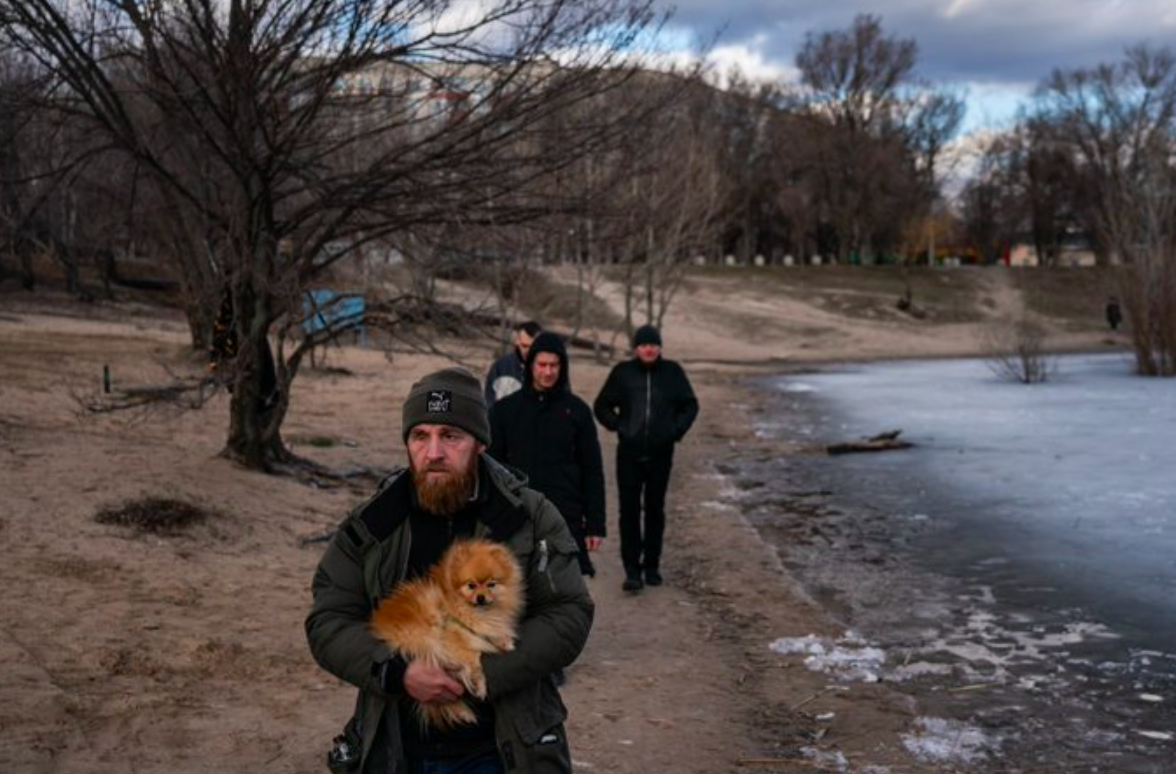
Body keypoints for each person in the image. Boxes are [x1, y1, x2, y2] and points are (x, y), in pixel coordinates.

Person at [306, 367, 592, 774]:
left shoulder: (527, 516)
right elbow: (328, 620)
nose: (434, 452)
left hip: (502, 748)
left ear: (479, 443)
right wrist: (398, 672)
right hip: (395, 748)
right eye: (420, 436)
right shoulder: (375, 523)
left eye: (450, 436)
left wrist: (477, 669)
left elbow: (569, 613)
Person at [489, 332, 607, 577]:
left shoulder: (577, 411)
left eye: (554, 365)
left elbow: (592, 470)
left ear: (562, 367)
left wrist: (595, 525)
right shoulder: (504, 411)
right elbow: (491, 469)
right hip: (517, 518)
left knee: (566, 595)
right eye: (542, 364)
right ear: (531, 365)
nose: (548, 372)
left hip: (565, 516)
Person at [593, 324, 698, 593]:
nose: (649, 349)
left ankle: (651, 566)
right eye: (643, 345)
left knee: (654, 510)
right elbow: (601, 405)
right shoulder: (623, 373)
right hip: (628, 453)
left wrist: (674, 431)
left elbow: (690, 405)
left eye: (653, 344)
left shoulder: (672, 372)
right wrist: (620, 427)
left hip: (661, 453)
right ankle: (632, 571)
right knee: (628, 512)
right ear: (636, 348)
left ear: (659, 347)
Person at [484, 321, 541, 409]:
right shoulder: (501, 366)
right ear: (517, 341)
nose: (528, 351)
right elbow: (489, 401)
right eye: (524, 346)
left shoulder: (550, 370)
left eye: (533, 347)